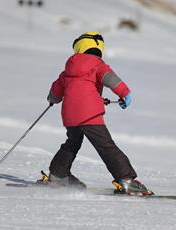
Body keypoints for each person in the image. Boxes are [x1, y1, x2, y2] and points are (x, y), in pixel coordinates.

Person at [43, 32, 153, 196]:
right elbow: (110, 78)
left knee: (72, 143)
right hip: (90, 116)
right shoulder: (97, 64)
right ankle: (126, 180)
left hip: (70, 116)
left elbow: (56, 92)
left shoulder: (68, 69)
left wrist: (52, 99)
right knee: (106, 146)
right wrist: (125, 93)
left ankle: (58, 175)